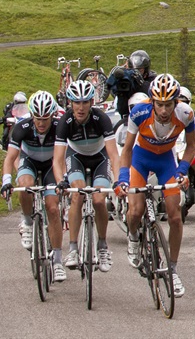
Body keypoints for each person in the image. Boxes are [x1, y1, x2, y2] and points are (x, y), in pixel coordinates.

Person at [114, 73, 195, 298]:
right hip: (140, 160)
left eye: (168, 105)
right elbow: (127, 149)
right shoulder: (139, 112)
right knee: (135, 210)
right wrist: (123, 177)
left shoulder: (185, 114)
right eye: (159, 105)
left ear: (176, 102)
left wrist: (182, 171)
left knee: (175, 216)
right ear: (152, 102)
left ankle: (172, 269)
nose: (163, 110)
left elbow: (191, 148)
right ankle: (133, 238)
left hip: (166, 162)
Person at [53, 80, 121, 273]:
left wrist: (117, 180)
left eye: (84, 102)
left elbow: (114, 155)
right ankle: (73, 248)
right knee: (78, 194)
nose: (80, 107)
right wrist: (60, 181)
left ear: (92, 103)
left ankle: (102, 246)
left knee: (99, 200)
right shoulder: (65, 122)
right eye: (76, 102)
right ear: (70, 103)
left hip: (100, 158)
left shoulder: (101, 119)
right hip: (76, 158)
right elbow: (57, 159)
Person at [0, 91, 68, 281]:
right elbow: (10, 158)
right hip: (28, 161)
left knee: (53, 208)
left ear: (53, 116)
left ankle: (57, 261)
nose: (41, 123)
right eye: (37, 118)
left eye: (45, 119)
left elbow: (62, 159)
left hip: (50, 166)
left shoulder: (58, 127)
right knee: (25, 185)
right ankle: (28, 223)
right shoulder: (22, 127)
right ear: (32, 115)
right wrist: (6, 181)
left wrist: (63, 180)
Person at [107, 50, 157, 119]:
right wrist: (121, 93)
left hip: (149, 113)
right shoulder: (126, 80)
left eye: (140, 70)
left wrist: (142, 84)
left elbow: (156, 97)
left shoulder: (153, 79)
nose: (136, 72)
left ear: (145, 69)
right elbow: (120, 107)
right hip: (127, 115)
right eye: (132, 70)